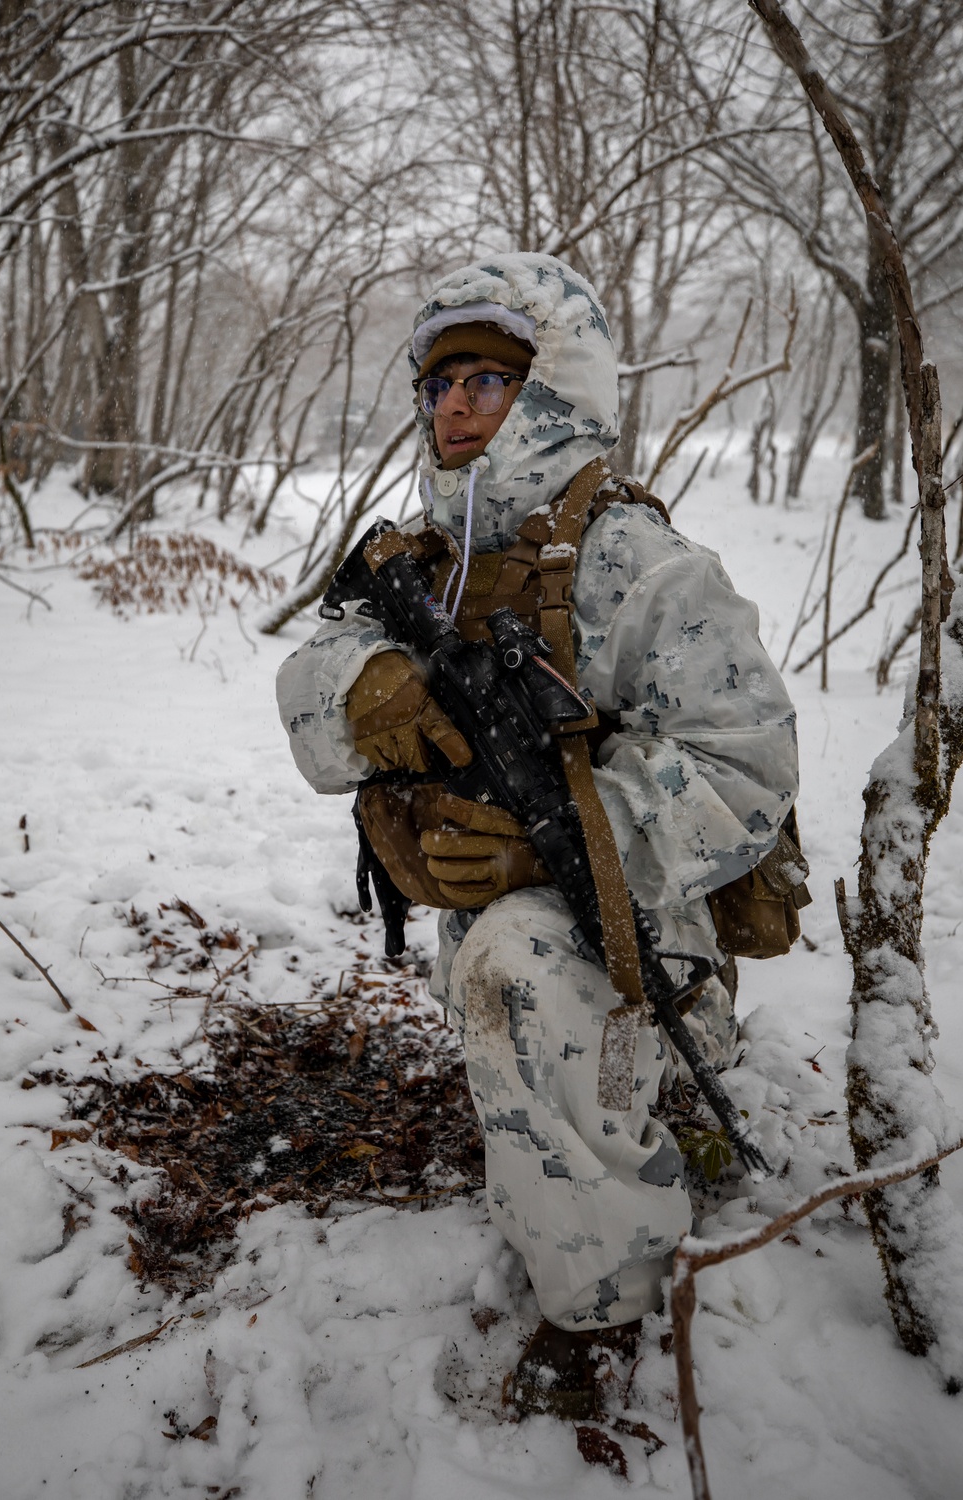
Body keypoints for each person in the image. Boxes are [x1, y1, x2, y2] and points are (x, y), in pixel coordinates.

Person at [276, 253, 799, 1418]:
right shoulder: (430, 559)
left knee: (516, 960)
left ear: (550, 394)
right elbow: (313, 678)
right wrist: (364, 688)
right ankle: (570, 1130)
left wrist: (550, 843)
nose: (455, 403)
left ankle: (600, 1312)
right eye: (441, 379)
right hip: (514, 958)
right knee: (505, 965)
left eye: (490, 380)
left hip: (647, 955)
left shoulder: (640, 564)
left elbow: (748, 768)